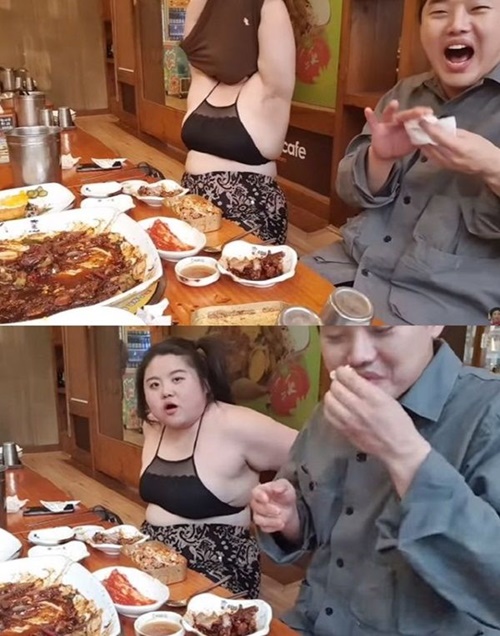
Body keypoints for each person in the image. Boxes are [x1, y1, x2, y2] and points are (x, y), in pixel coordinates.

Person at [251, 326, 500, 636]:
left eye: (382, 329)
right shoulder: (332, 410)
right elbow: (310, 521)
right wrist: (289, 519)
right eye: (336, 334)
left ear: (433, 323)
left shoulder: (490, 411)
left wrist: (406, 455)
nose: (357, 355)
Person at [302, 0, 500, 325]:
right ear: (421, 29)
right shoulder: (404, 93)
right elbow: (347, 190)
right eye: (439, 12)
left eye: (478, 8)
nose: (456, 25)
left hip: (438, 308)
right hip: (345, 268)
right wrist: (379, 159)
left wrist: (492, 166)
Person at [137, 336, 297, 598]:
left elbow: (314, 455)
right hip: (153, 557)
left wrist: (289, 507)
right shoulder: (153, 425)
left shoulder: (237, 424)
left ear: (205, 383)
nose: (165, 391)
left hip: (216, 569)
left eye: (177, 379)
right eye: (154, 384)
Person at [179, 0, 311, 244]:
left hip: (249, 218)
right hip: (192, 208)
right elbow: (194, 22)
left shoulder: (271, 89)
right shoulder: (203, 82)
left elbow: (272, 10)